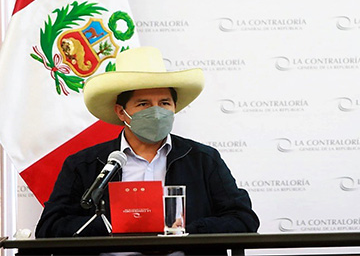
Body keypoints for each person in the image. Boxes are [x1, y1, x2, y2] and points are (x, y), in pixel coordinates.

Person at [36, 46, 259, 238]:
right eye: (143, 104)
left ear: (174, 108)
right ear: (121, 112)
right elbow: (49, 226)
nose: (156, 112)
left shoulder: (203, 160)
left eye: (164, 103)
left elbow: (243, 219)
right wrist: (113, 226)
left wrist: (185, 232)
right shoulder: (85, 164)